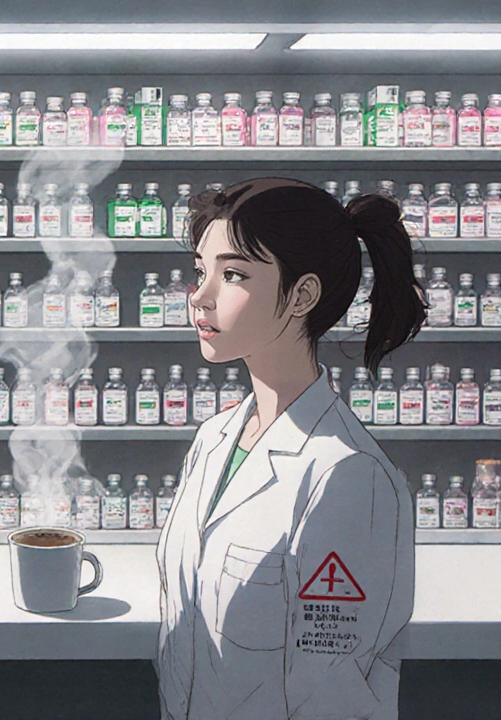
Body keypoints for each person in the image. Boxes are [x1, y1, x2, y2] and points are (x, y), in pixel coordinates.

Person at [156, 178, 425, 719]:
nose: (200, 296)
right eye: (199, 272)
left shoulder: (348, 475)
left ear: (302, 295)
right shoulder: (214, 439)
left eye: (232, 275)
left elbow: (333, 697)